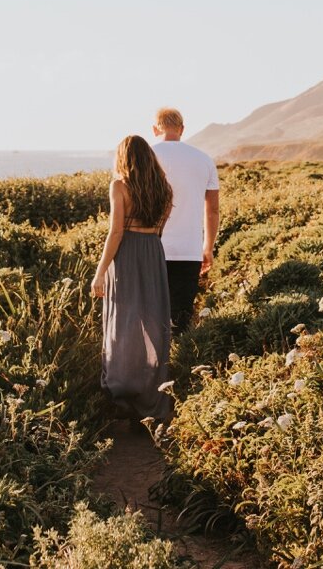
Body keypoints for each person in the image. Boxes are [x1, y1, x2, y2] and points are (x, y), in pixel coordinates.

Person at [91, 134, 175, 424]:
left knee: (122, 322)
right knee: (154, 322)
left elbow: (115, 232)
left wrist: (100, 271)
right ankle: (152, 394)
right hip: (153, 253)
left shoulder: (119, 186)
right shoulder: (164, 188)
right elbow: (160, 229)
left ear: (123, 158)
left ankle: (121, 391)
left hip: (126, 254)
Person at [149, 107, 220, 334]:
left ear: (154, 129)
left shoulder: (146, 155)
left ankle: (152, 365)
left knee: (151, 316)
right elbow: (213, 210)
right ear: (182, 129)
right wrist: (207, 248)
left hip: (150, 247)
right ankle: (180, 365)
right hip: (189, 250)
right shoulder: (204, 159)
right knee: (180, 320)